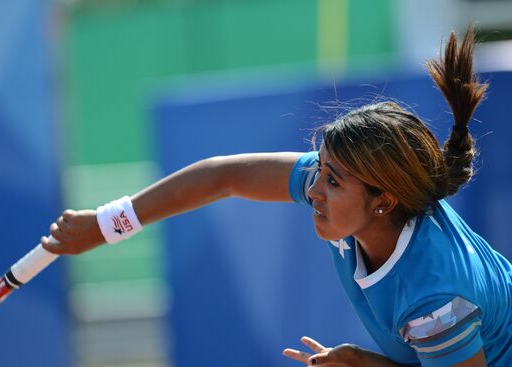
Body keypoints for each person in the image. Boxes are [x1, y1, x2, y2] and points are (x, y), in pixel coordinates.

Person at [43, 26, 511, 367]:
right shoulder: (360, 190)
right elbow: (221, 177)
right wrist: (106, 225)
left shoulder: (437, 298)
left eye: (332, 182)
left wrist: (370, 365)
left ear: (383, 201)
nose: (313, 190)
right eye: (321, 169)